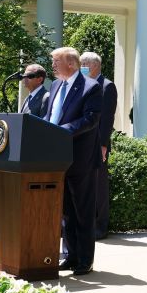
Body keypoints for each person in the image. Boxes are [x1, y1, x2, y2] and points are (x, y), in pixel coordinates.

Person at [45, 46, 103, 276]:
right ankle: (70, 255)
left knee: (83, 211)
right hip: (57, 159)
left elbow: (90, 119)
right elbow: (50, 117)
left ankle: (85, 260)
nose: (52, 66)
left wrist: (61, 131)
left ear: (70, 63)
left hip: (81, 159)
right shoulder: (56, 85)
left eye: (56, 61)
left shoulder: (91, 87)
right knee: (66, 211)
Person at [81, 51, 118, 240]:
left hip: (98, 144)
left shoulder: (107, 86)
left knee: (99, 185)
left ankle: (100, 226)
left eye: (84, 63)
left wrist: (103, 145)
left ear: (94, 65)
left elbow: (107, 119)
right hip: (82, 143)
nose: (81, 67)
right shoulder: (84, 85)